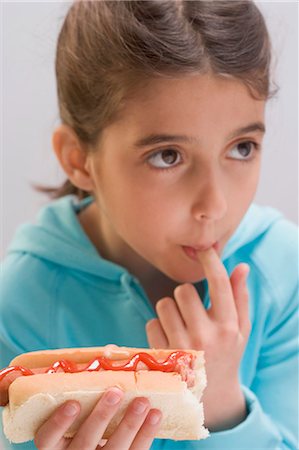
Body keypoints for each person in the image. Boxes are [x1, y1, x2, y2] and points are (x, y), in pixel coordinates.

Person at [0, 0, 298, 449]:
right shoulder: (21, 305)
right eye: (168, 156)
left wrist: (222, 409)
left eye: (241, 148)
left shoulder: (281, 271)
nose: (213, 205)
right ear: (79, 160)